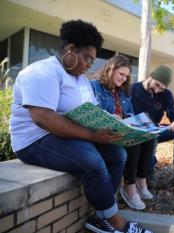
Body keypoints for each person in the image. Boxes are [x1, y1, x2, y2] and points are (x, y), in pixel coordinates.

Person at [9, 20, 152, 233]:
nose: (89, 65)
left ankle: (102, 213)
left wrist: (111, 122)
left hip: (64, 136)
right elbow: (43, 118)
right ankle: (113, 221)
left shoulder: (81, 81)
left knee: (117, 154)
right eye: (87, 58)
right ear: (70, 50)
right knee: (92, 160)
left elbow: (90, 111)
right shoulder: (42, 72)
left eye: (93, 60)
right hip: (34, 140)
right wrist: (92, 137)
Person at [90, 55, 155, 210]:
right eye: (121, 74)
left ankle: (141, 180)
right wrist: (109, 116)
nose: (124, 79)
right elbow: (90, 112)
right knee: (133, 142)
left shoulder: (124, 93)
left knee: (148, 137)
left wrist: (132, 121)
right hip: (102, 135)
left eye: (126, 76)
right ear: (111, 69)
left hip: (120, 131)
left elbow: (131, 113)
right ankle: (129, 187)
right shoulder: (93, 87)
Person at [131, 65, 174, 191]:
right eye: (157, 85)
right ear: (151, 77)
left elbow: (173, 113)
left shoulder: (166, 95)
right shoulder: (133, 90)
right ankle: (148, 174)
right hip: (138, 133)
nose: (157, 90)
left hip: (156, 130)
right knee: (151, 136)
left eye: (162, 88)